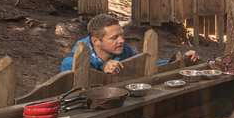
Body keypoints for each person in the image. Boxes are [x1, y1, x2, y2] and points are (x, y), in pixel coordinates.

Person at [59, 13, 198, 75]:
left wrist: (176, 60)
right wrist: (102, 68)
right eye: (114, 38)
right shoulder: (72, 60)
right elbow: (71, 81)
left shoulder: (124, 50)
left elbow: (144, 64)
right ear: (96, 41)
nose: (121, 40)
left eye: (121, 35)